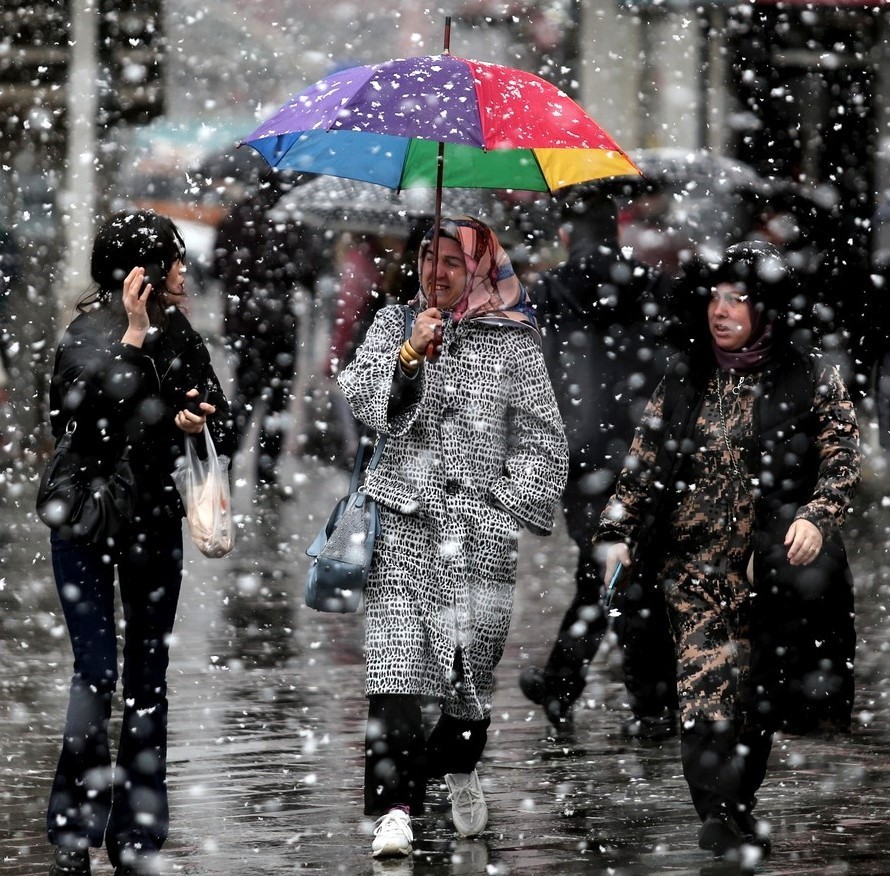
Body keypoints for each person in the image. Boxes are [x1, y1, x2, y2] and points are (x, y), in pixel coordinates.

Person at [595, 242, 860, 858]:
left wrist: (818, 517)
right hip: (691, 566)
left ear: (765, 307)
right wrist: (616, 532)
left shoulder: (809, 376)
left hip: (771, 569)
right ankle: (715, 810)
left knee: (756, 698)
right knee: (704, 687)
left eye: (738, 299)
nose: (722, 310)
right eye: (716, 297)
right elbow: (642, 465)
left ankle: (736, 807)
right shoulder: (686, 374)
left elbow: (841, 458)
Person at [337, 216, 568, 859]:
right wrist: (411, 354)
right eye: (427, 258)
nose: (435, 272)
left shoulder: (514, 343)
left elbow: (545, 442)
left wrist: (505, 502)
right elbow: (361, 398)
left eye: (451, 262)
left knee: (469, 680)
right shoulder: (395, 324)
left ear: (479, 269)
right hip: (403, 521)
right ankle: (394, 810)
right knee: (396, 671)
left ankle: (461, 762)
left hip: (478, 534)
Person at [45, 210, 234, 876]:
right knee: (95, 673)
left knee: (147, 679)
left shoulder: (181, 333)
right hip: (88, 525)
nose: (184, 271)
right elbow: (80, 422)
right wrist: (130, 340)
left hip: (154, 525)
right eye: (173, 259)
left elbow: (224, 420)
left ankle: (136, 837)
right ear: (140, 273)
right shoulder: (83, 335)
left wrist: (197, 414)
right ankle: (73, 833)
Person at [519, 187, 678, 737]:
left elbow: (533, 371)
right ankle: (567, 685)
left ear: (567, 235)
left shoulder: (548, 291)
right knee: (616, 571)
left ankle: (649, 704)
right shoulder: (654, 283)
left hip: (581, 452)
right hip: (644, 449)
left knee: (615, 573)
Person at [212, 174, 323, 496]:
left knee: (243, 399)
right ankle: (265, 474)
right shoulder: (290, 219)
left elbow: (216, 269)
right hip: (278, 328)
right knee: (275, 402)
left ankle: (227, 468)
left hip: (242, 325)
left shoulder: (238, 215)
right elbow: (308, 272)